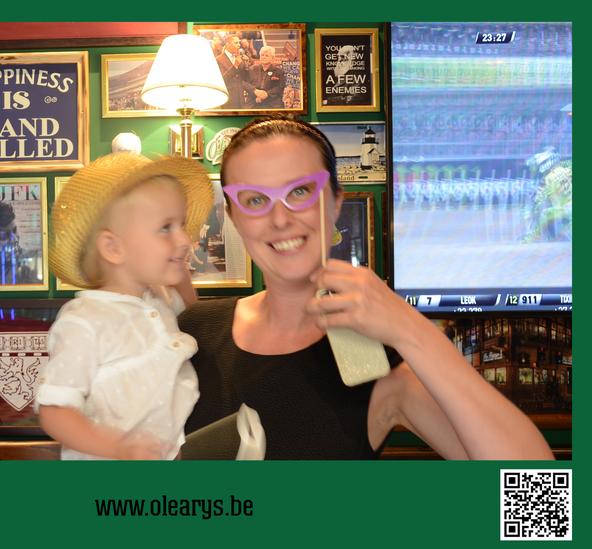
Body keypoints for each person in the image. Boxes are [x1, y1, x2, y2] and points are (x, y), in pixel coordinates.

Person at [179, 114, 554, 460]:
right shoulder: (190, 331)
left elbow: (544, 502)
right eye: (256, 200)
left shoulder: (370, 359)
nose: (280, 219)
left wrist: (411, 328)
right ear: (234, 216)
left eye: (300, 192)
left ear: (336, 201)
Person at [35, 153, 214, 460]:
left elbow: (191, 308)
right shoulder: (85, 321)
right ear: (114, 248)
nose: (185, 239)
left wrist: (176, 258)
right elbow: (55, 411)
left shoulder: (159, 302)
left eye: (182, 225)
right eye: (165, 227)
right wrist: (118, 448)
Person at [215, 34, 248, 109]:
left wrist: (246, 65)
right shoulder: (219, 59)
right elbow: (222, 79)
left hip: (240, 100)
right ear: (228, 44)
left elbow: (245, 78)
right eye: (236, 43)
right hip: (228, 101)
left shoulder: (238, 57)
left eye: (239, 42)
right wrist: (235, 66)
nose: (239, 45)